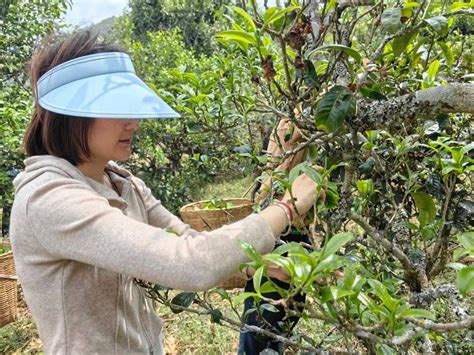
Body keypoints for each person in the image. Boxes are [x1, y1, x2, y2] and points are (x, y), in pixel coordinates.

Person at [8, 30, 321, 354]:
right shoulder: (48, 200)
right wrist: (287, 207)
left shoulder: (122, 183)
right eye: (115, 109)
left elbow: (188, 244)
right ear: (70, 115)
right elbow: (191, 264)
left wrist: (263, 266)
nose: (133, 123)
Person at [238, 117, 313, 355]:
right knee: (258, 338)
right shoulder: (271, 184)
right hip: (270, 267)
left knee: (267, 338)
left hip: (288, 260)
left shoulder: (305, 179)